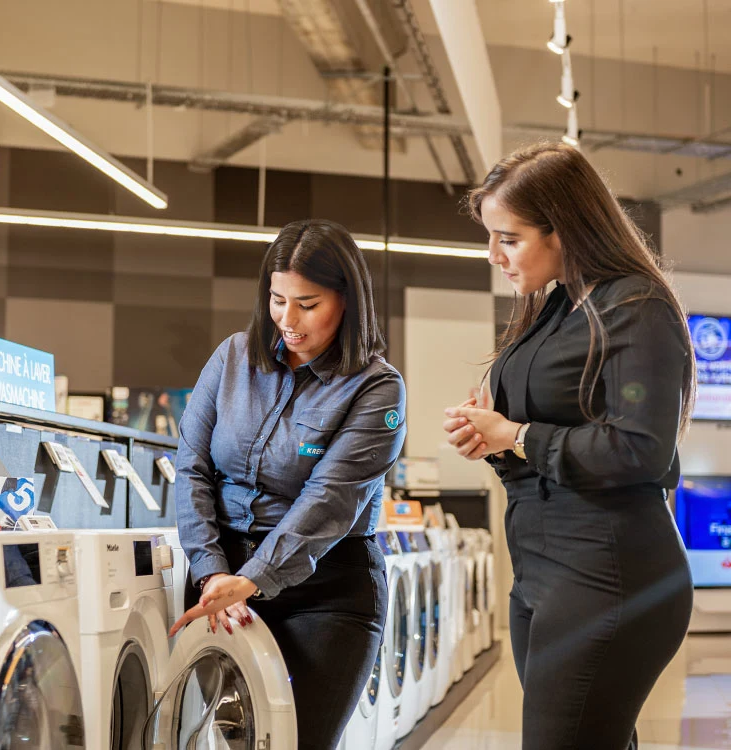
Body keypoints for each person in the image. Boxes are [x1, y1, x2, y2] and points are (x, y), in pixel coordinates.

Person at [443, 142, 695, 750]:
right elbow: (541, 445)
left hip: (609, 574)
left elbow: (641, 451)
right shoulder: (558, 307)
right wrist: (492, 434)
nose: (494, 255)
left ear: (565, 228)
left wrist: (519, 435)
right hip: (541, 571)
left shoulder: (636, 306)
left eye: (509, 237)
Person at [169, 219, 406, 749]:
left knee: (301, 740)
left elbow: (331, 499)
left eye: (308, 303)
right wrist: (212, 570)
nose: (288, 320)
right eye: (277, 300)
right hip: (221, 577)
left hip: (325, 589)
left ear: (348, 300)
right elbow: (191, 467)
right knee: (224, 740)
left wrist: (253, 578)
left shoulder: (377, 388)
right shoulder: (232, 358)